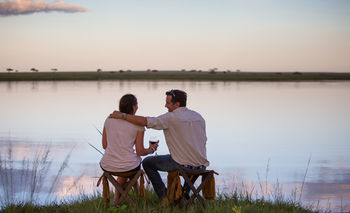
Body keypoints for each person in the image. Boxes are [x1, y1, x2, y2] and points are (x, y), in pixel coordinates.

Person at [109, 89, 209, 200]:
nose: (165, 105)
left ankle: (164, 197)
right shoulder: (198, 117)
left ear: (177, 104)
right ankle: (184, 196)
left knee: (148, 162)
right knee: (176, 158)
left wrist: (122, 116)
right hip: (201, 165)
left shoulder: (171, 117)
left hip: (183, 164)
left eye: (168, 103)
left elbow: (145, 122)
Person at [100, 94, 158, 204]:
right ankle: (122, 199)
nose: (137, 107)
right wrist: (151, 149)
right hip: (127, 166)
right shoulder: (138, 126)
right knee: (131, 165)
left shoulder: (109, 119)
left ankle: (129, 197)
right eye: (136, 105)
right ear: (133, 107)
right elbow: (140, 152)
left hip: (107, 165)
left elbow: (104, 145)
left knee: (128, 165)